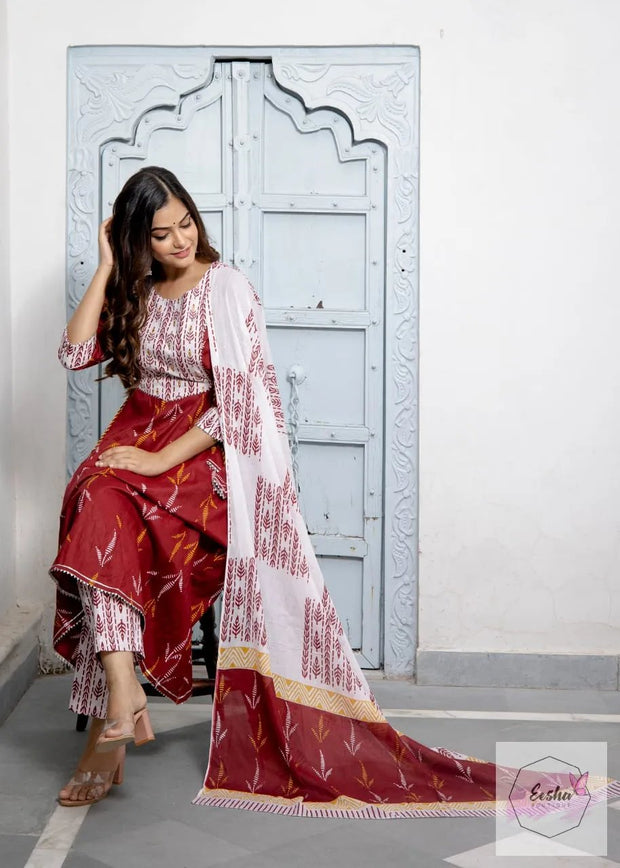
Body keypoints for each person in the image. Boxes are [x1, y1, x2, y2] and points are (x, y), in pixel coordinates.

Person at [55, 165, 592, 820]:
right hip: (138, 439)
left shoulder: (225, 288)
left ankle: (113, 718)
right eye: (159, 235)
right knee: (99, 502)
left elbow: (242, 399)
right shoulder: (136, 288)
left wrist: (163, 454)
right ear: (138, 240)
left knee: (108, 516)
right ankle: (120, 691)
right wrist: (108, 264)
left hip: (202, 458)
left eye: (185, 225)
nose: (178, 243)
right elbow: (75, 355)